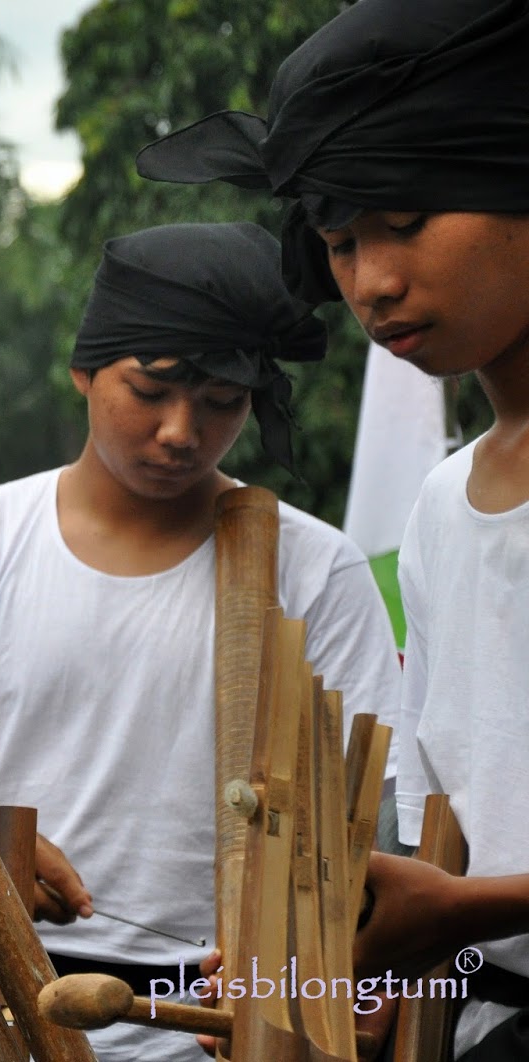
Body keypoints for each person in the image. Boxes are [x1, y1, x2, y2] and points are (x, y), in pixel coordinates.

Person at [0, 221, 403, 1062]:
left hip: (226, 1023)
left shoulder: (315, 568)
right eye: (151, 389)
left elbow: (369, 822)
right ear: (84, 369)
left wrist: (316, 970)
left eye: (222, 401)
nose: (180, 431)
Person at [137, 2, 529, 1057]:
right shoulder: (442, 508)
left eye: (405, 219)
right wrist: (367, 955)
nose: (371, 282)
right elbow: (451, 827)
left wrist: (461, 913)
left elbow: (463, 895)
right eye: (340, 241)